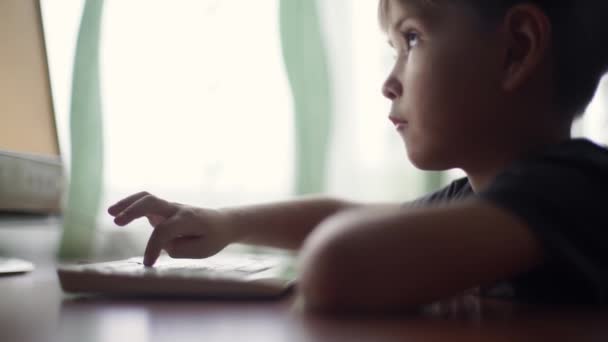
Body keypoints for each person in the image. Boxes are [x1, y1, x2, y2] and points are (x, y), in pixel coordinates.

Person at [108, 0, 608, 314]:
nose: (388, 83)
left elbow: (337, 262)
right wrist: (226, 222)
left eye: (411, 39)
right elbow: (344, 218)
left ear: (516, 49)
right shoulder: (486, 199)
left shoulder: (578, 189)